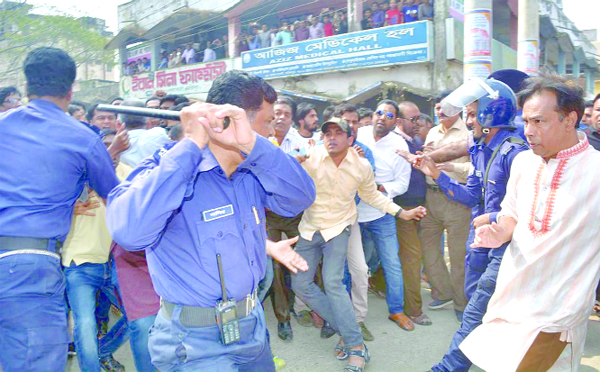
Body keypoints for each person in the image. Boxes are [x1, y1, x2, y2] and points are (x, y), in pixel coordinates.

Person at [106, 70, 316, 370]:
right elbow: (129, 233)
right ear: (228, 121)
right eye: (266, 122)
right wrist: (191, 145)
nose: (271, 133)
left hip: (251, 326)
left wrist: (256, 146)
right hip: (193, 343)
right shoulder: (167, 168)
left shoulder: (253, 171)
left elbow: (301, 197)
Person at [459, 74, 600, 371]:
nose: (529, 131)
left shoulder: (596, 172)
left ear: (569, 119)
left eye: (539, 122)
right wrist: (499, 233)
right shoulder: (524, 162)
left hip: (558, 310)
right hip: (513, 298)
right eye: (525, 121)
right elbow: (511, 212)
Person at [0, 47, 119, 371]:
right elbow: (117, 200)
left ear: (26, 89)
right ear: (70, 90)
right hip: (29, 267)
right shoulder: (82, 137)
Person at [292, 116, 426, 372]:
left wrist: (401, 213)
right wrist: (293, 162)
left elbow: (372, 195)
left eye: (337, 133)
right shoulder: (310, 156)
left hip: (339, 228)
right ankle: (346, 327)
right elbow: (289, 171)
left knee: (333, 282)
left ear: (350, 138)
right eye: (327, 133)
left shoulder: (361, 166)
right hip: (310, 228)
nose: (331, 137)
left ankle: (356, 346)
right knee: (300, 283)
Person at [414, 78, 529, 372]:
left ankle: (448, 367)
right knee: (476, 303)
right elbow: (471, 196)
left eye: (474, 114)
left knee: (476, 310)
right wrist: (436, 173)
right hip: (479, 242)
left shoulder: (516, 154)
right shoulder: (479, 149)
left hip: (507, 246)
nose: (468, 121)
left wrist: (492, 218)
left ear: (492, 115)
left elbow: (527, 209)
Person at [356, 99, 415, 331]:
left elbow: (403, 182)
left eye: (389, 115)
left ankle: (397, 310)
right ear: (372, 115)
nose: (382, 117)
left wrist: (380, 188)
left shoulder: (399, 145)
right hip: (353, 212)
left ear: (395, 122)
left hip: (382, 211)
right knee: (352, 264)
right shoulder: (358, 135)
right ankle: (346, 310)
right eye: (379, 113)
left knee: (391, 262)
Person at [419, 92, 471, 322]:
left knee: (459, 257)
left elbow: (475, 167)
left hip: (456, 197)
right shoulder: (432, 132)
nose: (439, 112)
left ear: (457, 108)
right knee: (428, 249)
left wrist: (452, 166)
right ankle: (445, 292)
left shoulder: (468, 132)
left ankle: (462, 303)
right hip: (432, 198)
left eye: (444, 108)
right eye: (438, 108)